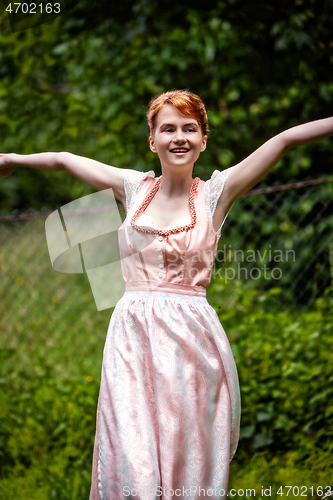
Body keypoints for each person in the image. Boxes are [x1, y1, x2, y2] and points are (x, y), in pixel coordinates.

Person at [1, 90, 332, 500]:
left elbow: (284, 140)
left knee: (187, 450)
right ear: (152, 140)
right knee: (131, 450)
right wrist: (12, 160)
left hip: (191, 343)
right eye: (169, 128)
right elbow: (66, 159)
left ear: (203, 139)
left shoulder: (215, 194)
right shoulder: (134, 188)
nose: (179, 137)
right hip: (131, 338)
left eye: (190, 128)